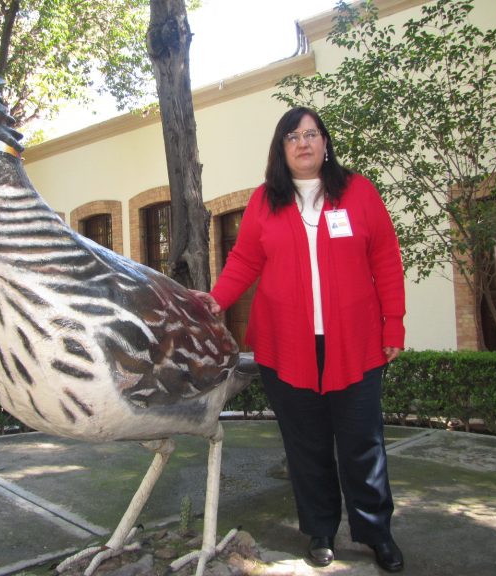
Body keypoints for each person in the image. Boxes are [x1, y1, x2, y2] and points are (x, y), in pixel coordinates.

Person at [193, 107, 406, 572]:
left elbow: (387, 259)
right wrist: (215, 300)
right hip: (287, 346)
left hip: (356, 343)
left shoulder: (359, 192)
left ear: (325, 143)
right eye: (293, 136)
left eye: (312, 134)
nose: (303, 143)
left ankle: (376, 533)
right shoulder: (264, 201)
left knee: (361, 444)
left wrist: (395, 324)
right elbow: (245, 261)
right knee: (305, 445)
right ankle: (321, 530)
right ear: (281, 149)